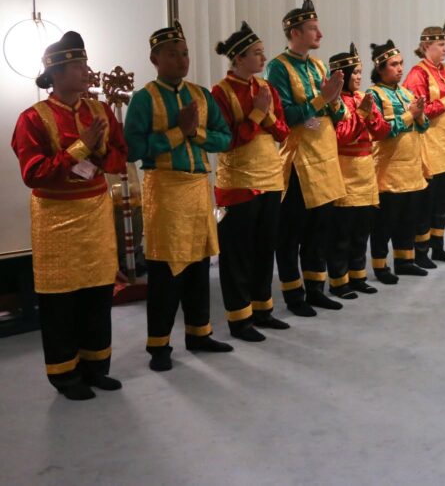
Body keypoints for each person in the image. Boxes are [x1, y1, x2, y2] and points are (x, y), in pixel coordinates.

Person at [11, 31, 126, 400]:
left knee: (97, 292)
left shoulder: (100, 111)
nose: (86, 71)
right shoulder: (32, 118)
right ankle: (65, 375)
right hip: (56, 218)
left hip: (95, 212)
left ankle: (96, 366)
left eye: (85, 64)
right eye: (78, 65)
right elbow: (33, 173)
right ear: (56, 73)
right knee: (61, 298)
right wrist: (81, 146)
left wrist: (100, 154)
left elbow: (121, 156)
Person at [124, 21, 234, 372]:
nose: (182, 60)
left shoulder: (200, 95)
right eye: (172, 54)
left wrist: (195, 133)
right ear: (155, 59)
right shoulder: (144, 98)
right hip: (165, 189)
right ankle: (159, 345)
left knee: (199, 266)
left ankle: (199, 334)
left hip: (198, 189)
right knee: (166, 272)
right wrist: (177, 133)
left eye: (185, 53)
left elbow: (225, 138)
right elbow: (132, 149)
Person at [266, 0, 347, 316]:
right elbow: (284, 115)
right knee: (292, 231)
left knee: (320, 228)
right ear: (295, 32)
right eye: (313, 29)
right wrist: (321, 99)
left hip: (325, 155)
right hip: (299, 159)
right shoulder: (278, 67)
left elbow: (336, 114)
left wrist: (335, 100)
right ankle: (293, 294)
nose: (320, 34)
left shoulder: (319, 66)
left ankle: (315, 288)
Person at [211, 22, 291, 341]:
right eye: (257, 53)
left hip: (270, 178)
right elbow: (225, 141)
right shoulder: (221, 92)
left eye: (262, 52)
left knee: (264, 247)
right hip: (238, 183)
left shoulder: (266, 89)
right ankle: (239, 318)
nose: (263, 58)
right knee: (237, 253)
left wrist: (266, 115)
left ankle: (262, 309)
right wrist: (257, 115)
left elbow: (283, 133)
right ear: (238, 58)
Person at [328, 44, 391, 297]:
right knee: (342, 232)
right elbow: (341, 136)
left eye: (360, 72)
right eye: (354, 72)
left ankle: (358, 276)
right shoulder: (335, 102)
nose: (358, 77)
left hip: (366, 171)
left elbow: (382, 131)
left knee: (361, 230)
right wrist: (362, 115)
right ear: (342, 74)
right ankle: (338, 281)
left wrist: (371, 116)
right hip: (345, 171)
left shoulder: (362, 97)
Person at [403, 22, 445, 267]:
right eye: (441, 44)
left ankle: (437, 247)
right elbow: (421, 112)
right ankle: (420, 251)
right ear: (426, 46)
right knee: (425, 202)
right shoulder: (417, 74)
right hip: (427, 145)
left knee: (442, 200)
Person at [367, 39, 430, 282]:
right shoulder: (373, 94)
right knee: (385, 222)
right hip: (389, 170)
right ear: (380, 68)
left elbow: (423, 127)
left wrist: (420, 114)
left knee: (408, 219)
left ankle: (405, 261)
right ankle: (381, 266)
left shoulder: (406, 92)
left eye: (401, 63)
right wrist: (410, 115)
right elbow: (382, 131)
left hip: (412, 168)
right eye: (394, 64)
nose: (400, 68)